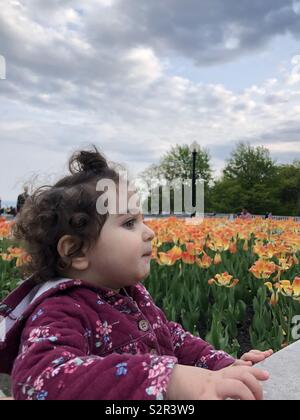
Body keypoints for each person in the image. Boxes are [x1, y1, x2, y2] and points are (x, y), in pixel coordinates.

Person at [0, 146, 272, 400]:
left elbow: (172, 338)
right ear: (76, 251)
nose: (150, 232)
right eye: (129, 223)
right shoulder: (58, 311)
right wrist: (169, 380)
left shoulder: (128, 294)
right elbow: (39, 381)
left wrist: (223, 367)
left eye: (142, 220)